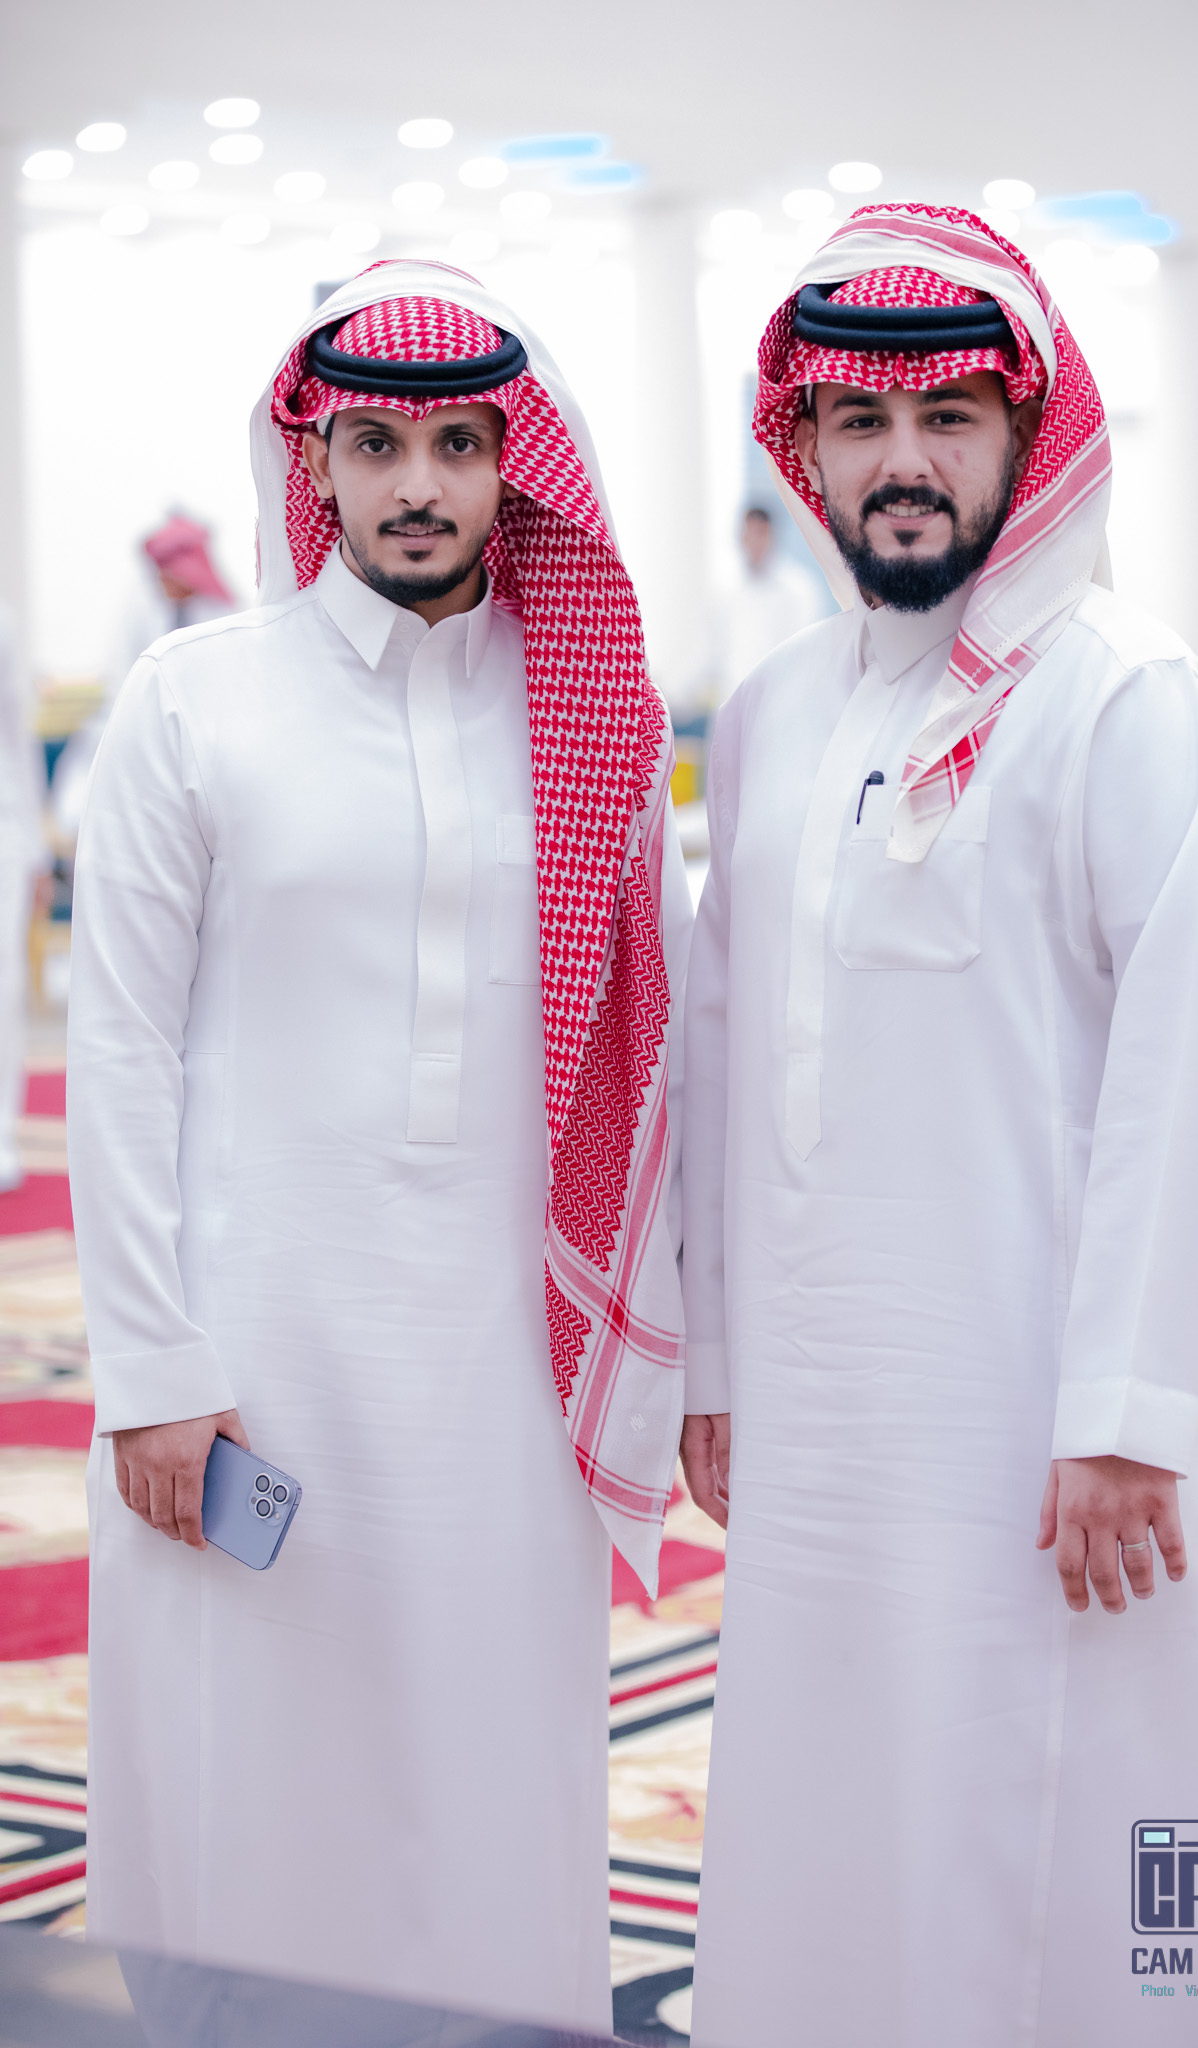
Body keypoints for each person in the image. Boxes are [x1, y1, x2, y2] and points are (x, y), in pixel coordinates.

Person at [67, 261, 692, 2031]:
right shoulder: (197, 698)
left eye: (458, 445)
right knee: (246, 1762)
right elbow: (116, 1050)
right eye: (376, 445)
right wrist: (155, 1366)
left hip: (505, 1368)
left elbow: (651, 1056)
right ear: (315, 460)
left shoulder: (589, 712)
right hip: (251, 1352)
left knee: (492, 1761)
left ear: (512, 464)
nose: (417, 485)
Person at [680, 203, 1198, 2047]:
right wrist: (713, 1360)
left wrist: (1126, 1410)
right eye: (859, 419)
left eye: (948, 414)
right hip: (828, 1423)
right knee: (841, 1808)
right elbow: (720, 1046)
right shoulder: (773, 716)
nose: (904, 458)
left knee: (1140, 1802)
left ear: (1028, 434)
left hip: (1072, 1427)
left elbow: (1189, 1073)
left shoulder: (1140, 701)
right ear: (806, 447)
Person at [50, 515, 236, 841]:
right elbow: (120, 683)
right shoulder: (140, 607)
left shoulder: (223, 614)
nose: (161, 580)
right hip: (144, 728)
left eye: (167, 572)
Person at [0, 605, 49, 1190]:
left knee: (3, 983)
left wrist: (35, 847)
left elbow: (17, 735)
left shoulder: (3, 623)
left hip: (4, 828)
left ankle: (2, 1136)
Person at [711, 505, 827, 707]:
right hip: (733, 703)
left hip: (780, 704)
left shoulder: (799, 589)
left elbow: (804, 655)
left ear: (772, 536)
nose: (754, 543)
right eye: (749, 534)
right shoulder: (727, 591)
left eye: (760, 534)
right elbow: (714, 652)